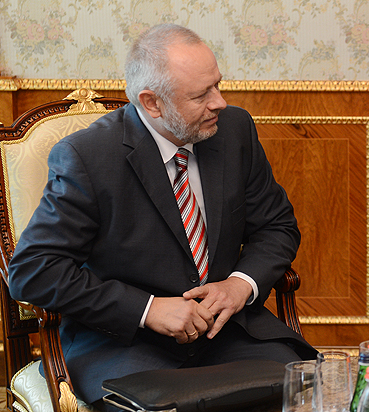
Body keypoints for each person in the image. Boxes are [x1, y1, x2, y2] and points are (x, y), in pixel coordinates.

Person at [8, 24, 317, 408]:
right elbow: (33, 271)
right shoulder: (89, 157)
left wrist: (239, 285)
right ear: (152, 103)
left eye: (218, 85)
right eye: (201, 95)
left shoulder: (234, 131)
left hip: (229, 333)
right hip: (125, 344)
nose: (219, 102)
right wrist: (148, 309)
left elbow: (277, 226)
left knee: (306, 393)